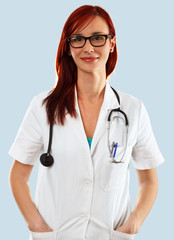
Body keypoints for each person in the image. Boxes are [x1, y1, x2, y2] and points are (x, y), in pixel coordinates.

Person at [8, 5, 164, 240]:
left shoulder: (133, 109)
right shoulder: (43, 106)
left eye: (98, 38)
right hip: (58, 235)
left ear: (112, 43)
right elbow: (18, 176)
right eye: (78, 39)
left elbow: (149, 180)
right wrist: (37, 226)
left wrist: (133, 225)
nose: (88, 47)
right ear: (68, 47)